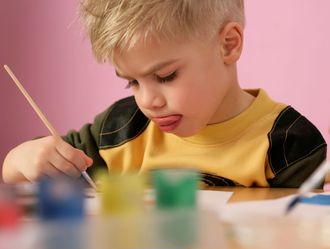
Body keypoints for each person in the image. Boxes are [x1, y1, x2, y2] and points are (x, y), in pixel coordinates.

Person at [2, 0, 327, 187]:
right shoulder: (119, 129)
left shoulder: (287, 143)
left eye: (165, 76)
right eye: (132, 82)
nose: (148, 101)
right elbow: (28, 169)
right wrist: (20, 160)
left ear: (228, 44)